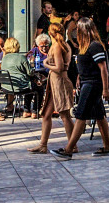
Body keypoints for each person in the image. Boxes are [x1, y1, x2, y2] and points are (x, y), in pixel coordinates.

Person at [61, 21, 109, 157]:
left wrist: (106, 89)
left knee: (81, 115)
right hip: (87, 82)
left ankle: (68, 149)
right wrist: (79, 76)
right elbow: (87, 64)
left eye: (77, 29)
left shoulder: (94, 45)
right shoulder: (84, 46)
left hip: (92, 84)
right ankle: (107, 147)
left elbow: (103, 68)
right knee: (99, 115)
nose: (75, 32)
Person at [31, 24, 76, 154]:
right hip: (55, 82)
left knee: (64, 115)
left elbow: (59, 67)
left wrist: (45, 64)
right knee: (46, 114)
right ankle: (43, 144)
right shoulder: (64, 45)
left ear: (50, 33)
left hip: (59, 82)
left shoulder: (57, 46)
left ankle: (72, 145)